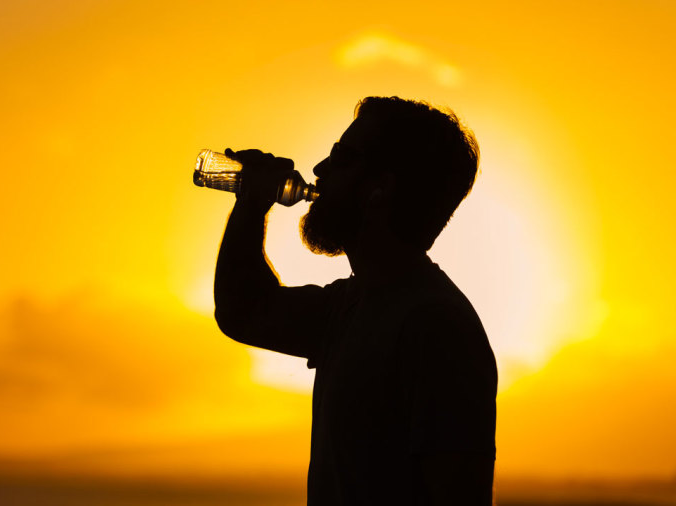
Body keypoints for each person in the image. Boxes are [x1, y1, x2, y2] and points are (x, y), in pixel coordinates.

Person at [213, 96, 497, 505]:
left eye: (342, 159)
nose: (319, 171)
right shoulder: (350, 306)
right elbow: (244, 311)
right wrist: (250, 205)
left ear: (379, 188)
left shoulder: (437, 327)